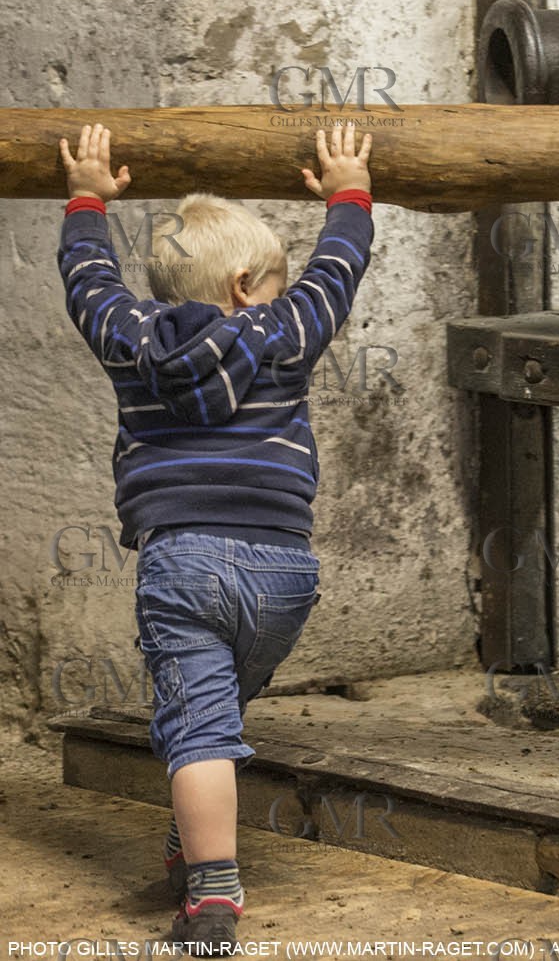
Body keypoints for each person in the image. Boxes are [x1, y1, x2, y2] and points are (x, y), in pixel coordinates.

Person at [56, 122, 376, 953]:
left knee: (198, 726)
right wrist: (350, 191)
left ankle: (212, 894)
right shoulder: (286, 335)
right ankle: (191, 836)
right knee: (217, 712)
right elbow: (337, 274)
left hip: (183, 564)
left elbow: (87, 281)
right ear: (245, 286)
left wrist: (87, 195)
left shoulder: (131, 340)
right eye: (274, 283)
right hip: (282, 573)